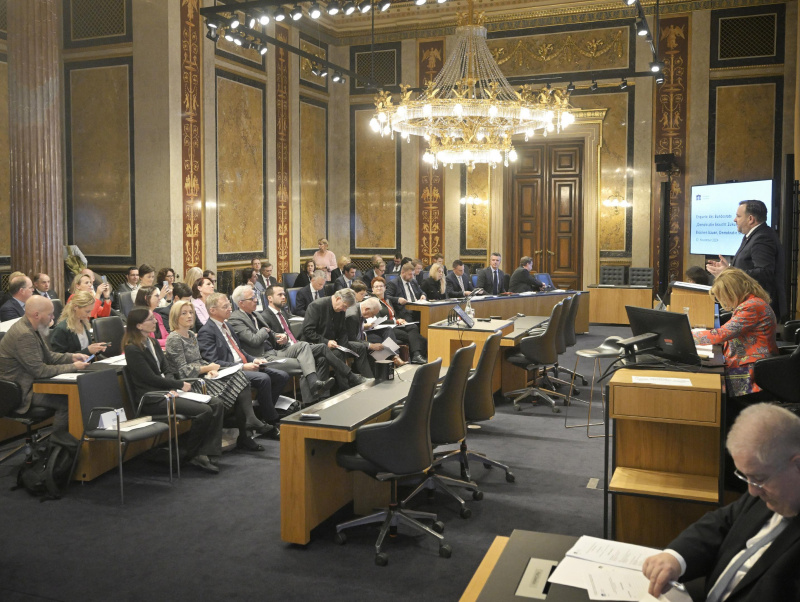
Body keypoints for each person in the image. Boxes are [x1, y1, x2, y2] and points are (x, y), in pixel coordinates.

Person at [642, 403, 800, 601]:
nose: (752, 490)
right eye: (746, 477)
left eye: (759, 478)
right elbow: (722, 522)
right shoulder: (773, 491)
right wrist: (675, 557)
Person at [123, 307, 225, 472]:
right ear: (139, 326)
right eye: (150, 319)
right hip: (152, 399)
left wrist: (172, 385)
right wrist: (176, 385)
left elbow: (167, 369)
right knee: (204, 411)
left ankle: (208, 452)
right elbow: (149, 378)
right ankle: (190, 455)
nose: (156, 321)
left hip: (166, 393)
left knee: (216, 403)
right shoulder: (132, 349)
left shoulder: (153, 342)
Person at [164, 300, 271, 453]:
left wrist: (209, 369)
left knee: (240, 378)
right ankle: (248, 426)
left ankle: (247, 427)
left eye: (191, 312)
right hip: (189, 383)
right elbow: (182, 371)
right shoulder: (174, 338)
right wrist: (206, 368)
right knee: (239, 384)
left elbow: (198, 360)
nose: (189, 316)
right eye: (184, 313)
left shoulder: (191, 336)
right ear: (175, 317)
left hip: (203, 377)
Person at [197, 293, 288, 439]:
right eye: (225, 306)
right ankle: (271, 420)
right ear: (213, 310)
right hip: (228, 372)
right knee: (263, 378)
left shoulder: (227, 326)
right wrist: (242, 367)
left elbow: (240, 350)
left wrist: (255, 359)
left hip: (243, 365)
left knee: (281, 376)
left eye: (229, 305)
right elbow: (213, 362)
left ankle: (260, 415)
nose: (230, 308)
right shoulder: (206, 331)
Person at [228, 285, 334, 404]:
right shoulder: (235, 318)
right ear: (241, 303)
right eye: (252, 298)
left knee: (303, 345)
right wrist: (265, 330)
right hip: (262, 358)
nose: (256, 300)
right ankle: (310, 401)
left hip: (276, 351)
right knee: (310, 362)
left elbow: (271, 334)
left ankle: (316, 389)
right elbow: (254, 340)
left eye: (255, 297)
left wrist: (282, 337)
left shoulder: (256, 314)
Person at [0, 296, 88, 433]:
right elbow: (40, 371)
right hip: (21, 391)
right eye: (49, 314)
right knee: (68, 402)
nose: (53, 317)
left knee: (75, 394)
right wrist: (74, 367)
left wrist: (72, 357)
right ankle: (57, 449)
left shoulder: (32, 327)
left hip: (30, 383)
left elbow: (49, 356)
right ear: (37, 315)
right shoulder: (24, 334)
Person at [693, 269, 777, 403]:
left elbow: (722, 334)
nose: (723, 301)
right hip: (750, 365)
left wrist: (689, 335)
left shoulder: (751, 306)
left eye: (723, 296)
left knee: (712, 395)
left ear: (733, 291)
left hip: (751, 371)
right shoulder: (753, 302)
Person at [263, 284, 357, 392]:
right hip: (285, 349)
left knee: (322, 359)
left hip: (297, 345)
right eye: (280, 294)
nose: (284, 297)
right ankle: (350, 376)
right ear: (269, 298)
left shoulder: (283, 313)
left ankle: (322, 395)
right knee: (321, 347)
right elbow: (269, 343)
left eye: (284, 294)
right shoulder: (265, 316)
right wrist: (278, 339)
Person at [706, 200, 786, 320]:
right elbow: (749, 266)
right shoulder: (754, 235)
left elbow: (765, 272)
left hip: (760, 307)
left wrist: (728, 272)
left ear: (750, 219)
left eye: (738, 216)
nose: (734, 219)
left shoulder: (762, 238)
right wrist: (728, 267)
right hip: (752, 305)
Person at [302, 288, 373, 389]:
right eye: (344, 306)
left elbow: (343, 331)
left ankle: (368, 379)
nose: (344, 310)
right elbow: (308, 331)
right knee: (338, 354)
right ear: (338, 298)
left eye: (346, 308)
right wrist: (326, 342)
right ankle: (346, 387)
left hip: (334, 343)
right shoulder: (316, 306)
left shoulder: (340, 308)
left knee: (360, 347)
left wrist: (343, 347)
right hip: (316, 344)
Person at [371, 277, 427, 364]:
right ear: (372, 289)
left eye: (381, 286)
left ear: (385, 288)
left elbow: (392, 315)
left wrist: (399, 320)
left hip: (395, 325)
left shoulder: (387, 299)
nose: (379, 288)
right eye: (376, 287)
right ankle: (415, 355)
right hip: (386, 328)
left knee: (413, 327)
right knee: (419, 338)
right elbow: (378, 320)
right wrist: (395, 322)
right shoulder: (373, 301)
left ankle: (416, 356)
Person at [345, 296, 406, 369]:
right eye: (373, 314)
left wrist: (367, 326)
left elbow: (357, 327)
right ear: (366, 309)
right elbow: (352, 338)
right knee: (384, 343)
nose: (372, 317)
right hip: (361, 337)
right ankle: (388, 363)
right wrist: (371, 345)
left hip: (364, 332)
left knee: (388, 330)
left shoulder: (359, 310)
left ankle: (394, 358)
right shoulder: (353, 315)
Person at [49, 291, 110, 356]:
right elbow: (59, 358)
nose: (89, 315)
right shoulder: (61, 329)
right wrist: (88, 350)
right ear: (75, 307)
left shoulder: (84, 323)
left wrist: (96, 349)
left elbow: (86, 351)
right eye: (87, 311)